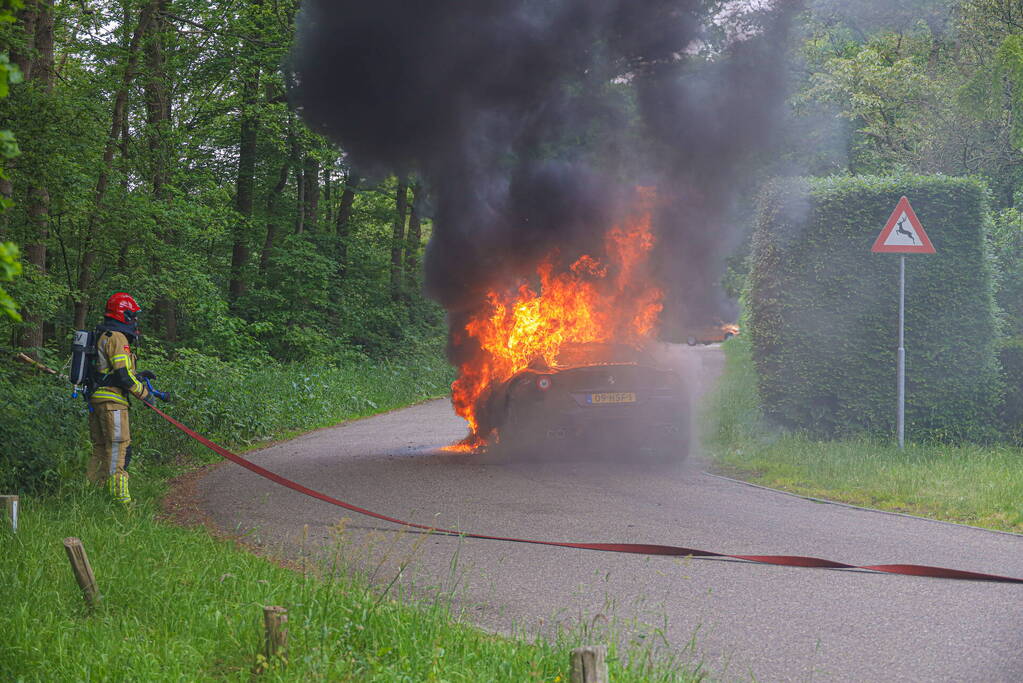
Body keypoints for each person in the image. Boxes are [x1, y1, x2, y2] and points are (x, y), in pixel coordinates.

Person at [87, 292, 168, 505]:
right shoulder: (118, 337)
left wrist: (138, 376)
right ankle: (120, 502)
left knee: (100, 449)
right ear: (123, 314)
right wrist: (145, 394)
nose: (135, 320)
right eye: (133, 315)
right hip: (113, 404)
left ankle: (92, 497)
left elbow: (112, 373)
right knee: (118, 450)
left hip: (97, 400)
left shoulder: (104, 335)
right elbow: (123, 376)